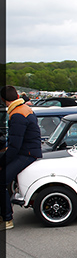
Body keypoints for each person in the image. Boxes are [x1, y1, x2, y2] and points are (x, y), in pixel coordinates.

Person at [1, 86, 42, 230]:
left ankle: (7, 218)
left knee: (2, 181)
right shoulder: (24, 109)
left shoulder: (17, 114)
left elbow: (15, 145)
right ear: (17, 95)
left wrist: (3, 162)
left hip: (27, 152)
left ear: (3, 100)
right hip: (30, 150)